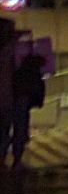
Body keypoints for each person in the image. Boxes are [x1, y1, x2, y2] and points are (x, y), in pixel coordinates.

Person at [3, 28, 41, 166]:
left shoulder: (9, 56)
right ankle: (16, 158)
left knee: (6, 129)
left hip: (10, 99)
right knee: (18, 128)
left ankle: (8, 156)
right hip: (17, 98)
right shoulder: (18, 56)